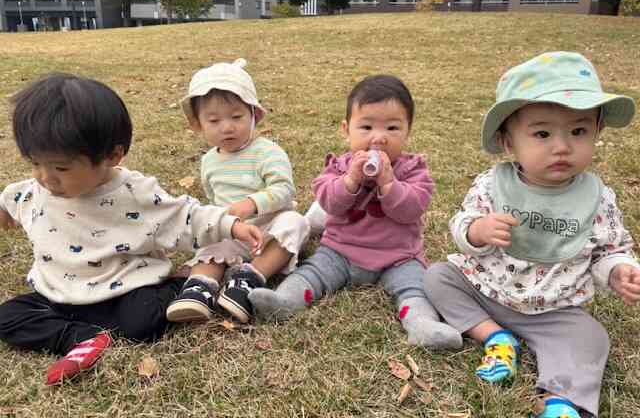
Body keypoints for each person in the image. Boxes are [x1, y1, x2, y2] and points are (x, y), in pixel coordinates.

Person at [0, 73, 263, 385]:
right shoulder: (33, 191)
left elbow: (184, 215)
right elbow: (9, 198)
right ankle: (80, 338)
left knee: (142, 325)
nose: (45, 178)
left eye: (61, 168)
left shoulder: (133, 193)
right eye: (34, 163)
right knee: (7, 317)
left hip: (124, 291)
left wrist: (230, 225)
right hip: (55, 295)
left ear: (112, 156)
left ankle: (178, 284)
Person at [423, 52, 640, 418]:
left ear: (597, 132)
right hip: (487, 291)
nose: (562, 146)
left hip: (555, 311)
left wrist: (618, 270)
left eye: (578, 131)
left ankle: (561, 401)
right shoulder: (493, 185)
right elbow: (462, 224)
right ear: (508, 143)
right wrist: (477, 231)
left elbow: (609, 248)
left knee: (591, 338)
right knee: (437, 277)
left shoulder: (596, 198)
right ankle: (495, 337)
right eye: (542, 133)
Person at [249, 74, 463, 349]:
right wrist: (349, 180)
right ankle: (286, 301)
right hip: (340, 250)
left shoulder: (413, 170)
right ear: (346, 129)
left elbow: (411, 209)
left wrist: (389, 184)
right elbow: (329, 203)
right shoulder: (338, 167)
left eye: (392, 128)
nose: (379, 138)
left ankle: (422, 325)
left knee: (415, 287)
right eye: (366, 127)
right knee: (313, 272)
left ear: (408, 131)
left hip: (398, 256)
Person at [166, 58, 309, 324]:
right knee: (211, 236)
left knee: (296, 223)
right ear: (198, 124)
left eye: (236, 117)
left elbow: (284, 189)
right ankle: (200, 287)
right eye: (214, 120)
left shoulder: (267, 152)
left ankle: (248, 278)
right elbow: (213, 199)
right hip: (232, 231)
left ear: (254, 115)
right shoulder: (209, 161)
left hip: (268, 230)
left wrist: (252, 203)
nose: (227, 127)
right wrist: (222, 222)